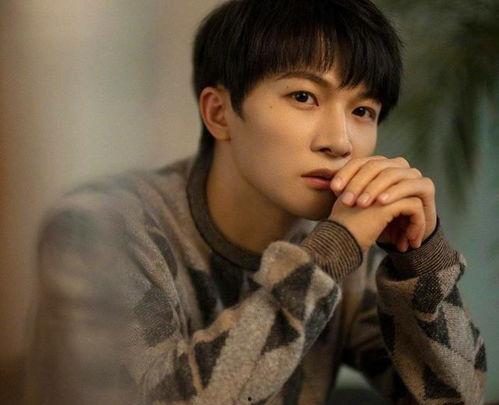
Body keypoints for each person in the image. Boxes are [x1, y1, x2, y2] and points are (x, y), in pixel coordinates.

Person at [24, 0, 487, 404]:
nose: (341, 141)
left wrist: (421, 260)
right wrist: (331, 252)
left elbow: (454, 398)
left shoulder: (346, 244)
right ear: (219, 113)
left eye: (362, 111)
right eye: (304, 96)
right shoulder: (99, 230)